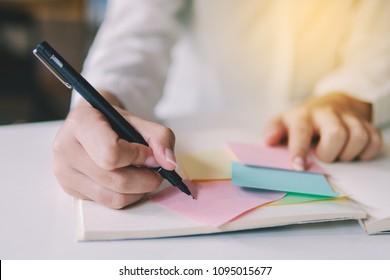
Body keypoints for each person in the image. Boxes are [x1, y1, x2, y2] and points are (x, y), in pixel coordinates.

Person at [53, 0, 390, 209]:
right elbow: (135, 34)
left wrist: (351, 94)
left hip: (335, 137)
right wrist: (101, 104)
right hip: (195, 125)